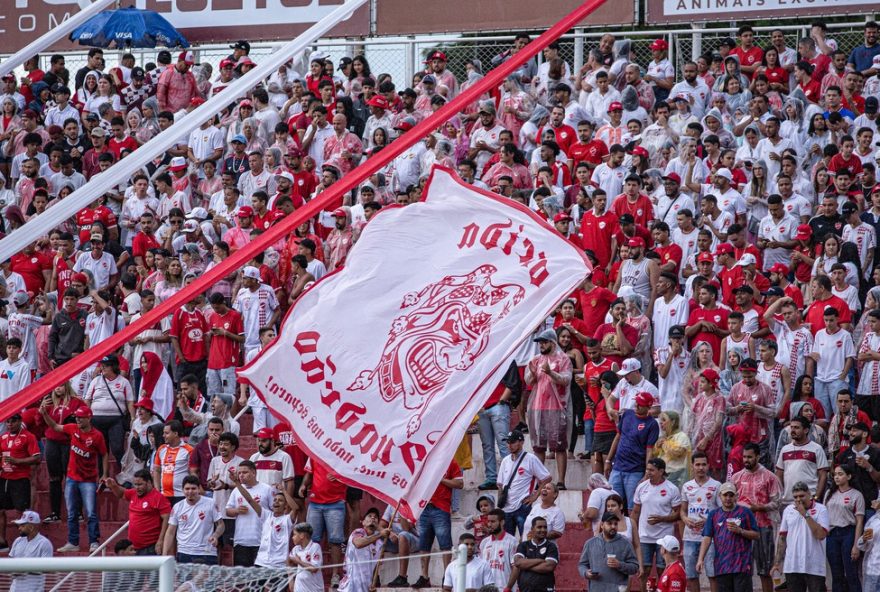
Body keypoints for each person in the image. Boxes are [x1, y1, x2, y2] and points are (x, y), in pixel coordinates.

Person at [39, 404, 107, 553]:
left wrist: (104, 474)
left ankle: (94, 541)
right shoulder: (72, 428)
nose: (78, 420)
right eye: (77, 417)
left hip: (88, 479)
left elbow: (104, 454)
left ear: (89, 418)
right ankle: (73, 542)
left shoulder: (97, 436)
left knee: (91, 512)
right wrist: (45, 414)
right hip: (72, 477)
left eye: (81, 418)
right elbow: (56, 427)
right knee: (71, 512)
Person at [729, 443, 782, 592]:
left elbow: (777, 502)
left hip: (763, 526)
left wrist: (758, 508)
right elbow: (729, 500)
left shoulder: (769, 477)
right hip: (741, 528)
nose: (746, 460)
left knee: (765, 569)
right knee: (741, 570)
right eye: (744, 457)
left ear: (758, 456)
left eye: (750, 457)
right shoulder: (736, 477)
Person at [524, 328, 571, 488]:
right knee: (538, 445)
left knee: (559, 445)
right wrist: (532, 374)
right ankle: (540, 480)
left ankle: (561, 481)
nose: (541, 345)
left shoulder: (563, 359)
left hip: (557, 407)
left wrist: (551, 373)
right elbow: (529, 382)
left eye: (544, 342)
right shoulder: (536, 360)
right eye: (539, 343)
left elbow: (566, 380)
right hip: (538, 406)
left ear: (552, 342)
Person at [697, 482, 759, 592]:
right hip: (722, 566)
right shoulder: (714, 514)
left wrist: (740, 531)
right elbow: (707, 538)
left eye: (731, 495)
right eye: (725, 495)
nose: (728, 498)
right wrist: (700, 559)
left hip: (742, 566)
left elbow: (757, 535)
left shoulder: (745, 512)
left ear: (736, 496)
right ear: (720, 496)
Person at [632, 457, 682, 592]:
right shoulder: (641, 487)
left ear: (661, 471)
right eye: (647, 469)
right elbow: (635, 512)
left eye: (652, 470)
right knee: (644, 570)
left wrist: (662, 519)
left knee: (663, 569)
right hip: (644, 536)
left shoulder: (672, 489)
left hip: (664, 538)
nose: (648, 472)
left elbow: (678, 514)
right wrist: (632, 532)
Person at [774, 481, 830, 592]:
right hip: (792, 565)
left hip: (814, 565)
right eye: (795, 497)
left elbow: (821, 535)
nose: (798, 499)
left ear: (809, 494)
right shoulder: (788, 510)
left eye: (802, 496)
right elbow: (782, 538)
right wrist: (777, 562)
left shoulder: (821, 509)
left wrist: (805, 514)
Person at [607, 391, 659, 510]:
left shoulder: (652, 424)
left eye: (640, 404)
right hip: (618, 467)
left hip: (635, 470)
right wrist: (608, 460)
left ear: (648, 407)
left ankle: (633, 528)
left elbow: (649, 451)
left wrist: (647, 473)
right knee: (611, 505)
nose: (636, 406)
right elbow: (617, 437)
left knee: (633, 507)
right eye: (636, 403)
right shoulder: (627, 414)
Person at [496, 429, 551, 536]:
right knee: (508, 541)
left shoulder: (531, 459)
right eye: (508, 442)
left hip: (522, 505)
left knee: (526, 538)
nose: (509, 445)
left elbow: (547, 478)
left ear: (521, 442)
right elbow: (500, 485)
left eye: (512, 442)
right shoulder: (505, 460)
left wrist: (534, 496)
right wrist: (500, 503)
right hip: (507, 507)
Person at [103, 469, 170, 555]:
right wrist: (113, 486)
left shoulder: (158, 497)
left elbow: (167, 519)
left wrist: (160, 540)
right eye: (135, 484)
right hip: (133, 547)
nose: (137, 487)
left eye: (140, 484)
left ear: (149, 483)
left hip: (149, 547)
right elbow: (121, 494)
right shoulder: (134, 493)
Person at [680, 452, 721, 592]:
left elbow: (722, 512)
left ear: (708, 466)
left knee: (712, 574)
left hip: (710, 537)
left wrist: (709, 521)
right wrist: (685, 519)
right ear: (692, 466)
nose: (701, 468)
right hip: (690, 536)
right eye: (697, 464)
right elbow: (682, 511)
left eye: (704, 464)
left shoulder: (716, 485)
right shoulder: (686, 486)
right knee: (691, 575)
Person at [0, 411, 40, 552]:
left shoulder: (28, 437)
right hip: (4, 477)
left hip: (20, 478)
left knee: (21, 511)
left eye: (13, 421)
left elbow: (36, 458)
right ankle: (2, 542)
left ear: (19, 421)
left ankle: (24, 541)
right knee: (0, 510)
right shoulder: (2, 437)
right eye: (8, 421)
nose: (10, 424)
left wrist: (17, 461)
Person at [163, 474, 224, 564]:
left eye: (193, 488)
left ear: (199, 489)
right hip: (184, 552)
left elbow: (221, 525)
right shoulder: (177, 507)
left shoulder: (210, 503)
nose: (190, 492)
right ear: (183, 490)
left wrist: (215, 536)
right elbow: (170, 532)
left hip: (206, 553)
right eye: (187, 489)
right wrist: (164, 554)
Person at [823, 463, 864, 592]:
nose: (837, 477)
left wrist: (856, 545)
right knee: (836, 574)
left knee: (851, 573)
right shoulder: (829, 493)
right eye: (835, 474)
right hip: (832, 534)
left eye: (840, 474)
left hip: (848, 533)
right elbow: (824, 514)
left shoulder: (856, 495)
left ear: (849, 476)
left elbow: (859, 521)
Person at [225, 460, 272, 567]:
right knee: (243, 579)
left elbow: (274, 512)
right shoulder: (236, 490)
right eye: (239, 473)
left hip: (261, 541)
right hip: (241, 541)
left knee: (260, 579)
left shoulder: (266, 489)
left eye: (244, 472)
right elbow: (228, 511)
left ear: (254, 473)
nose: (241, 475)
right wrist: (236, 511)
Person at [578, 511, 639, 592]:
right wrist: (586, 573)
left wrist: (619, 565)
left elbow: (634, 567)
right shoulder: (590, 543)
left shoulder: (625, 543)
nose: (613, 526)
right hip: (596, 589)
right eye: (609, 523)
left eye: (615, 524)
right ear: (602, 525)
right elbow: (582, 565)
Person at [338, 507, 389, 592]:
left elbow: (375, 568)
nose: (373, 518)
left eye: (375, 517)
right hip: (350, 586)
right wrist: (380, 534)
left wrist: (373, 584)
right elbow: (359, 543)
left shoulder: (380, 544)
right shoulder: (358, 532)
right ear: (363, 522)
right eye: (369, 516)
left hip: (365, 587)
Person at [8, 511, 53, 592]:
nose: (19, 528)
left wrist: (24, 568)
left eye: (22, 526)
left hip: (34, 589)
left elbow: (47, 568)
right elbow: (10, 561)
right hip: (14, 589)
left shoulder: (44, 543)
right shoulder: (18, 541)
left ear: (31, 527)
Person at [511, 517, 559, 592]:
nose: (543, 530)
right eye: (539, 527)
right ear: (532, 529)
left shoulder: (551, 546)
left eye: (545, 527)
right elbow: (518, 562)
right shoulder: (523, 545)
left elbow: (548, 567)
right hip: (525, 589)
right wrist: (540, 560)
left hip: (545, 589)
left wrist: (525, 565)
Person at [479, 508, 518, 589]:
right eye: (488, 521)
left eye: (493, 522)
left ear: (502, 522)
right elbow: (481, 568)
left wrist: (508, 588)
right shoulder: (484, 542)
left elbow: (516, 568)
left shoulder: (512, 541)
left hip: (504, 589)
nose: (489, 524)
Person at [289, 522, 324, 592]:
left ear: (302, 535)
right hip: (299, 588)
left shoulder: (315, 547)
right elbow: (288, 562)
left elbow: (314, 569)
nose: (292, 538)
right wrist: (291, 581)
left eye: (294, 535)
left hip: (314, 589)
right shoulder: (295, 549)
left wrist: (298, 561)